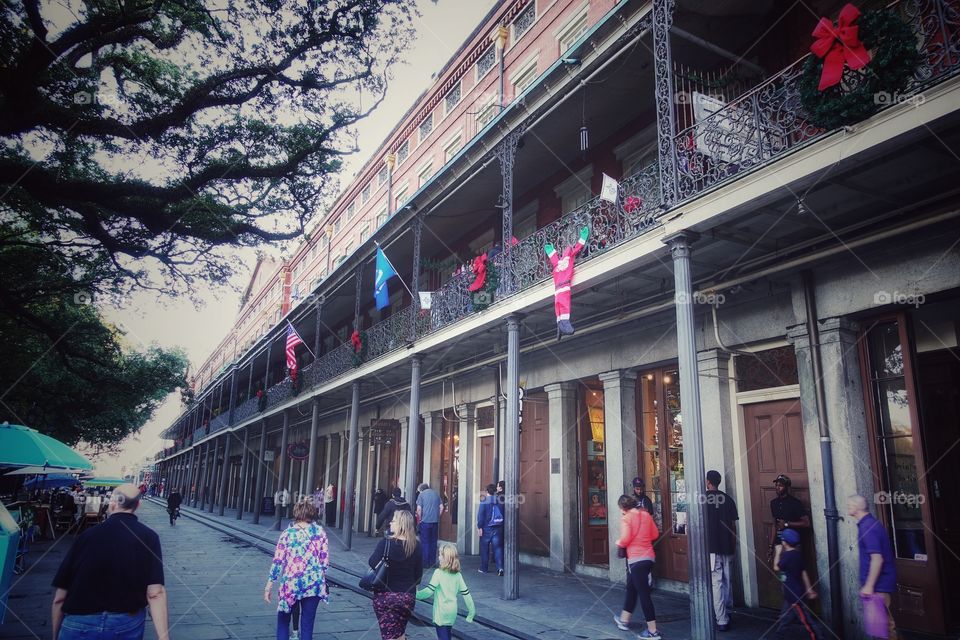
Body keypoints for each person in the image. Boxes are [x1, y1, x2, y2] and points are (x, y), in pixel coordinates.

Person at [51, 483, 169, 640]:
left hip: (79, 622)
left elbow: (60, 597)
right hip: (125, 623)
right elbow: (155, 593)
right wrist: (163, 637)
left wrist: (55, 635)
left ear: (112, 502)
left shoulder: (86, 537)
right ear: (138, 505)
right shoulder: (149, 537)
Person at [264, 500, 330, 640]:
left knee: (283, 621)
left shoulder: (287, 533)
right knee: (307, 624)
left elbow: (278, 561)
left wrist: (269, 585)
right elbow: (324, 562)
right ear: (312, 514)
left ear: (296, 514)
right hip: (314, 584)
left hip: (291, 583)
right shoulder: (320, 532)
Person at [848, 494, 898, 640]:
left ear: (857, 507)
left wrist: (869, 586)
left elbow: (877, 559)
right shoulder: (868, 524)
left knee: (885, 630)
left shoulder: (867, 527)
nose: (847, 507)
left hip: (879, 586)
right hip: (879, 585)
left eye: (849, 504)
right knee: (883, 629)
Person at [369, 510, 423, 640]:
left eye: (393, 520)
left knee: (389, 635)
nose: (390, 523)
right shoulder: (416, 546)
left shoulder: (385, 543)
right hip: (407, 597)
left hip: (386, 596)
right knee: (399, 633)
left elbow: (372, 562)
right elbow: (418, 575)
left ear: (400, 524)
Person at [612, 495, 660, 640]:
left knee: (644, 595)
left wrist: (619, 542)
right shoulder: (645, 515)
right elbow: (655, 534)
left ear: (622, 508)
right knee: (632, 588)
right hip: (649, 558)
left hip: (636, 560)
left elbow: (626, 538)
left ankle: (653, 631)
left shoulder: (626, 518)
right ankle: (624, 620)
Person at [770, 529, 825, 639]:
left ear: (784, 542)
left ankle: (818, 638)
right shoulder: (797, 555)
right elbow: (804, 573)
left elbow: (776, 567)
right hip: (791, 595)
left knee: (806, 620)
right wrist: (809, 589)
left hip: (795, 596)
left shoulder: (787, 556)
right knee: (784, 619)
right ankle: (778, 637)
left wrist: (777, 552)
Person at [416, 543, 476, 640]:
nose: (438, 557)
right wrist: (471, 612)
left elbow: (429, 591)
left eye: (440, 555)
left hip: (441, 613)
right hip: (452, 612)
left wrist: (416, 594)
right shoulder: (458, 575)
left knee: (443, 637)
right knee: (447, 635)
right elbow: (466, 594)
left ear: (445, 558)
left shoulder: (438, 573)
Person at [705, 470, 738, 631]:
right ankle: (726, 612)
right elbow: (733, 526)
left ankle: (721, 618)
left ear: (708, 482)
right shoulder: (728, 500)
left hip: (711, 547)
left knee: (716, 582)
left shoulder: (702, 499)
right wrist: (734, 545)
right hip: (727, 546)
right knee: (727, 581)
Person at [767, 474, 810, 564]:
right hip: (779, 543)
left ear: (787, 487)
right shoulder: (773, 503)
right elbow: (774, 525)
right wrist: (771, 546)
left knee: (794, 569)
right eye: (776, 485)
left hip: (793, 543)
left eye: (781, 486)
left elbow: (806, 523)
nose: (777, 488)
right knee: (780, 569)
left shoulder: (795, 503)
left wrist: (787, 524)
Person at [476, 484, 504, 575]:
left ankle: (484, 568)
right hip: (497, 527)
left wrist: (479, 527)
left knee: (485, 549)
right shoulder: (499, 500)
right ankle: (500, 568)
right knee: (498, 548)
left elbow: (480, 516)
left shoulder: (484, 501)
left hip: (486, 528)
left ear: (487, 491)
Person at [416, 482, 444, 567]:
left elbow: (419, 509)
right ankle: (432, 562)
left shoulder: (421, 495)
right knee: (433, 542)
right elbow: (442, 507)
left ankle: (425, 562)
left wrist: (419, 519)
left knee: (425, 542)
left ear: (421, 490)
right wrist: (437, 516)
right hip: (435, 522)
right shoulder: (436, 494)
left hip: (425, 522)